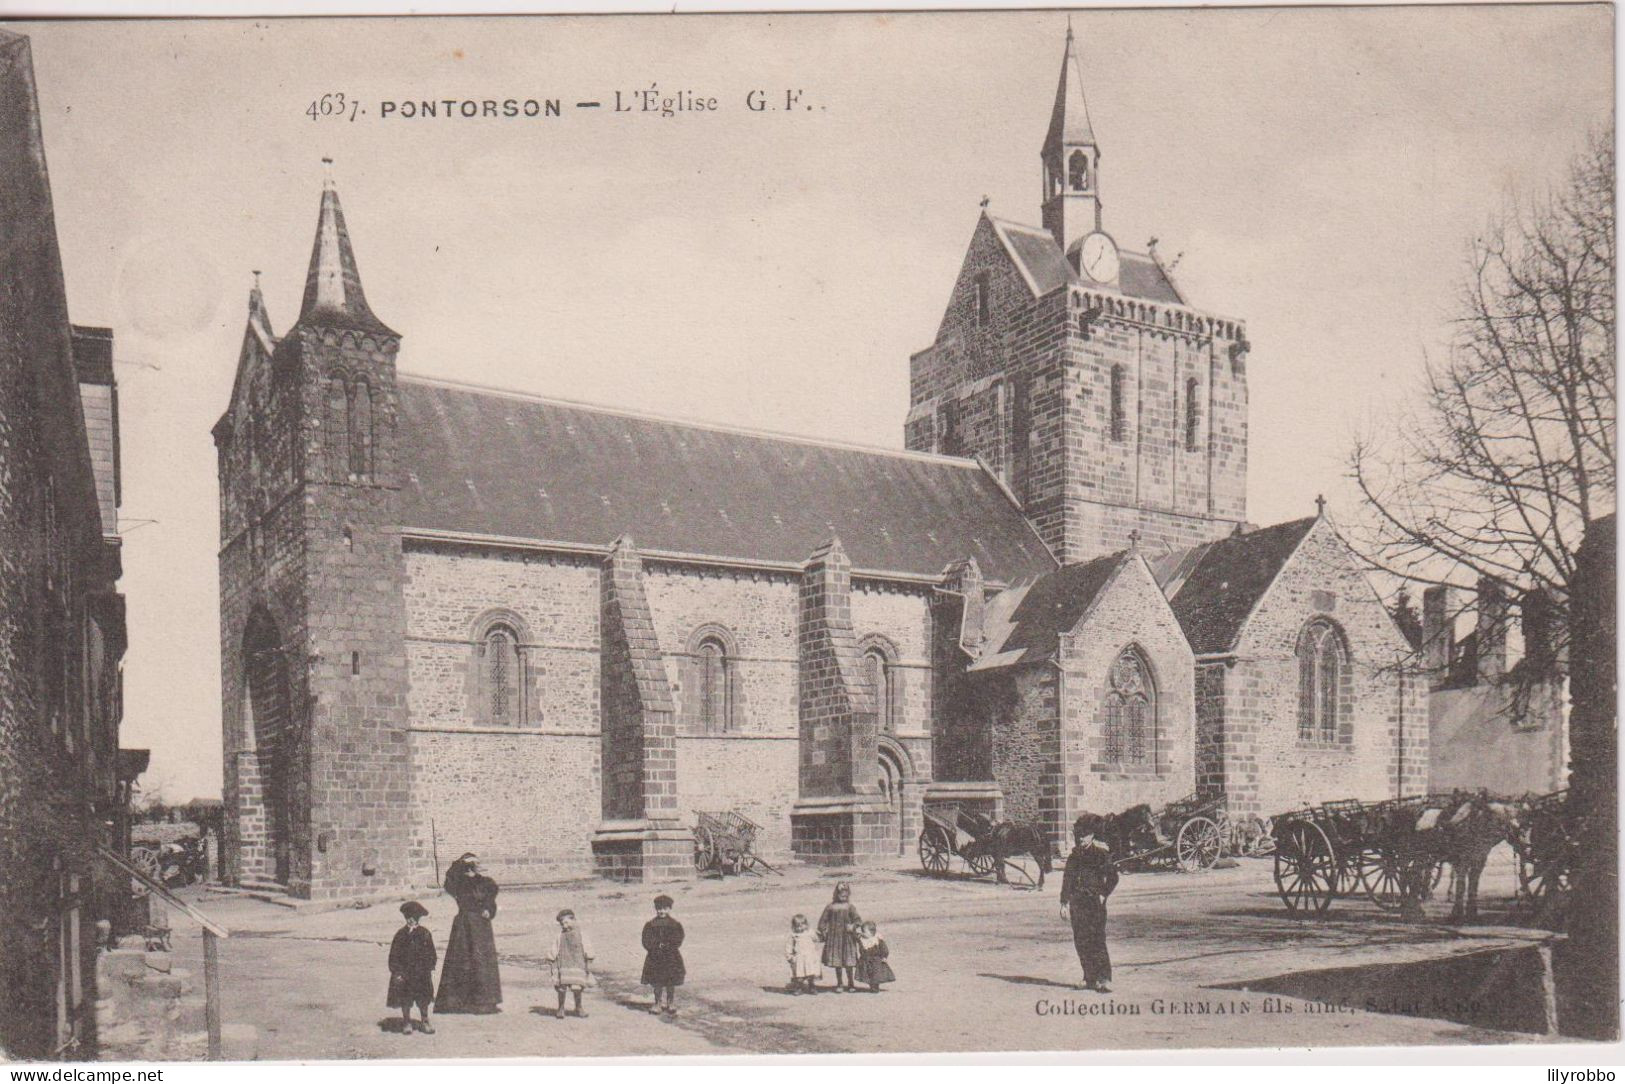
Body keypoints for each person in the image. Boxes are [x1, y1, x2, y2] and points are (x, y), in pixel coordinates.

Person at [1060, 813, 1119, 993]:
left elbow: (1113, 877)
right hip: (1077, 903)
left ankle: (1104, 978)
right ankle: (1089, 977)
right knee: (1081, 941)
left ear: (1092, 836)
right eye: (1078, 836)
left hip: (1094, 902)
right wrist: (1063, 902)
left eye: (1084, 836)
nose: (1080, 839)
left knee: (1097, 939)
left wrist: (1103, 894)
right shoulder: (1073, 857)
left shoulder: (1100, 855)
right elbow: (1067, 880)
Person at [435, 853, 502, 1013]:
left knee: (482, 962)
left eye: (479, 862)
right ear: (469, 865)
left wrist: (488, 910)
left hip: (481, 927)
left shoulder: (487, 883)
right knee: (462, 960)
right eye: (475, 862)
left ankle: (484, 1002)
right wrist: (460, 862)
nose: (478, 865)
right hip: (463, 927)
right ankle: (458, 1001)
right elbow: (448, 879)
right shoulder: (459, 882)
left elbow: (491, 902)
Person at [387, 901, 437, 1034]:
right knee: (405, 997)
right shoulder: (400, 935)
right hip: (405, 973)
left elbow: (431, 954)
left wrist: (429, 968)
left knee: (423, 998)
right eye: (408, 917)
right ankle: (407, 1021)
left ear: (418, 919)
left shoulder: (425, 934)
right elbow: (394, 955)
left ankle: (425, 1020)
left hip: (421, 973)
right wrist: (396, 971)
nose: (411, 920)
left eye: (414, 918)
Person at [640, 894, 685, 1015]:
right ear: (655, 909)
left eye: (665, 908)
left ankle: (670, 1002)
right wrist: (655, 946)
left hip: (671, 957)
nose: (662, 911)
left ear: (670, 909)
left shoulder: (675, 924)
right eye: (659, 908)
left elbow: (679, 938)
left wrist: (669, 945)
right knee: (657, 982)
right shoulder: (650, 925)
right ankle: (657, 1002)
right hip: (655, 958)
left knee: (671, 981)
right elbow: (646, 940)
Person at [545, 908, 594, 1019]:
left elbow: (587, 946)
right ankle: (561, 1008)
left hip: (578, 964)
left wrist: (589, 956)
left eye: (566, 922)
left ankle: (578, 1007)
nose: (564, 926)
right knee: (562, 987)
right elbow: (555, 947)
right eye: (562, 924)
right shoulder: (560, 936)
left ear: (574, 920)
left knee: (577, 987)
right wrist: (551, 957)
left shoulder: (582, 934)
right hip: (563, 965)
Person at [816, 881, 863, 992]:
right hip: (834, 939)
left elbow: (858, 920)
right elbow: (822, 922)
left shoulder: (850, 907)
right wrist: (824, 931)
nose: (843, 895)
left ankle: (851, 983)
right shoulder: (830, 907)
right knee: (838, 963)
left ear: (848, 894)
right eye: (840, 893)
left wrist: (853, 926)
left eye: (845, 893)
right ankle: (840, 983)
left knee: (848, 963)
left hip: (848, 938)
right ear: (836, 893)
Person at [853, 921, 895, 993]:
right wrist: (854, 928)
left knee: (875, 974)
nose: (863, 933)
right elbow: (854, 936)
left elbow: (884, 948)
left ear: (872, 932)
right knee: (868, 973)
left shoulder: (877, 939)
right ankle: (871, 986)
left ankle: (875, 987)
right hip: (865, 960)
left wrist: (884, 956)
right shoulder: (862, 939)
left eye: (865, 931)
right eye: (862, 931)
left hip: (876, 960)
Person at [785, 914, 821, 995]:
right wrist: (789, 956)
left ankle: (812, 986)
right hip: (799, 957)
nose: (800, 928)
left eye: (802, 925)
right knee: (799, 974)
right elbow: (789, 946)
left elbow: (816, 939)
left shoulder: (809, 932)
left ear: (806, 925)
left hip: (810, 957)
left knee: (811, 973)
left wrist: (819, 934)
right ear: (793, 926)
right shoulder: (793, 935)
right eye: (797, 926)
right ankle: (799, 988)